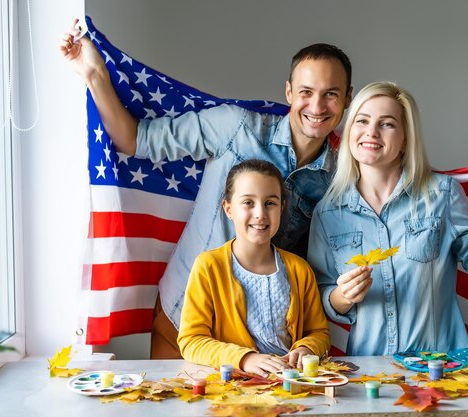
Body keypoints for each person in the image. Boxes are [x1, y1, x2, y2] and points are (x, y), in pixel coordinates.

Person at [60, 19, 352, 358]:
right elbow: (135, 139)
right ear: (288, 92)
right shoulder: (235, 126)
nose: (316, 107)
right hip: (186, 317)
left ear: (347, 98)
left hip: (264, 339)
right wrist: (94, 74)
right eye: (306, 92)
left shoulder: (341, 175)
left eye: (331, 94)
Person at [307, 82, 468, 355]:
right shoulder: (327, 212)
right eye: (362, 121)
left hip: (441, 367)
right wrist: (342, 297)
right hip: (369, 371)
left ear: (405, 139)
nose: (371, 132)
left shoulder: (442, 193)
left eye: (387, 124)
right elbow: (320, 298)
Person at [177, 159, 330, 376]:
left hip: (290, 382)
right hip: (233, 385)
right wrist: (244, 359)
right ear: (228, 209)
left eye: (270, 203)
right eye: (248, 202)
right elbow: (191, 341)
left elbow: (319, 332)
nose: (260, 213)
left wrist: (307, 348)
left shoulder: (299, 269)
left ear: (282, 207)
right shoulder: (208, 266)